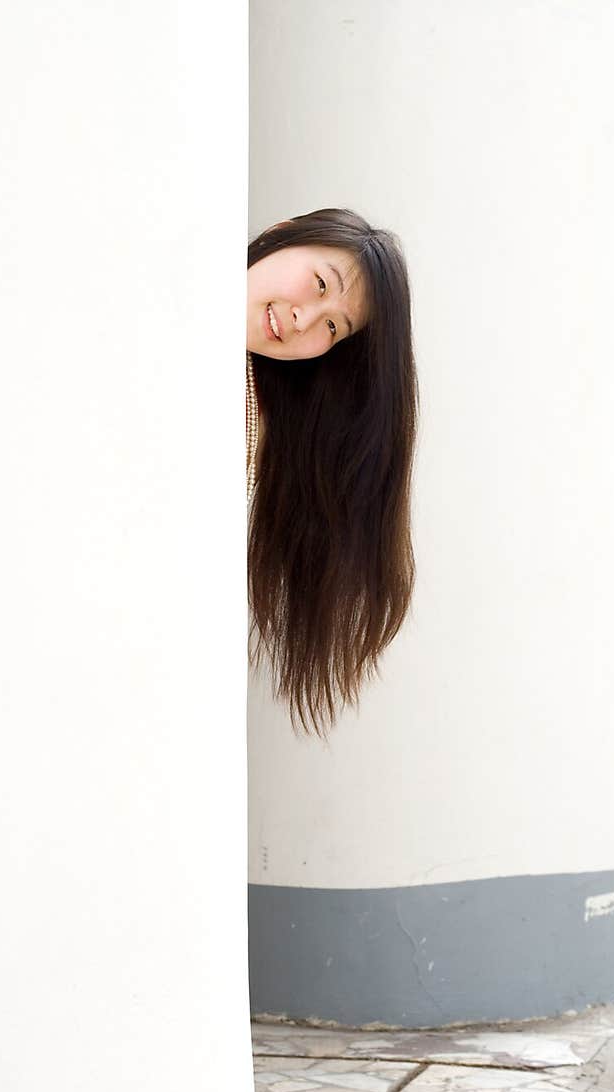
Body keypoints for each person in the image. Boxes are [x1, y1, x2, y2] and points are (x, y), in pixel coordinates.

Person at [245, 207, 418, 739]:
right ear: (279, 237)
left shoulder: (257, 422)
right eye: (320, 283)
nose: (305, 319)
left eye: (333, 326)